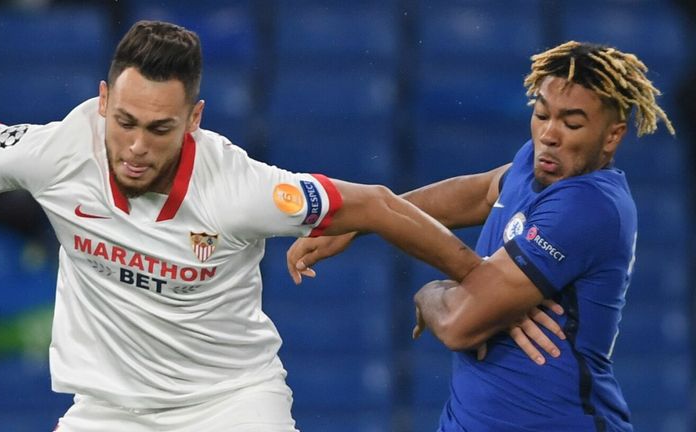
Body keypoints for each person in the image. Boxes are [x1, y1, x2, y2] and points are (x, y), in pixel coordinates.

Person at [0, 20, 485, 432]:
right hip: (107, 410)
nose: (137, 147)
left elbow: (379, 205)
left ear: (194, 120)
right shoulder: (56, 151)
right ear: (103, 101)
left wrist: (478, 277)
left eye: (159, 128)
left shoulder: (240, 188)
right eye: (124, 122)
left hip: (233, 404)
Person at [287, 41, 675, 431]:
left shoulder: (590, 205)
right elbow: (481, 191)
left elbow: (459, 323)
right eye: (541, 115)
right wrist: (361, 225)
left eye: (572, 124)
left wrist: (429, 293)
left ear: (612, 136)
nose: (549, 135)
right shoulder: (538, 161)